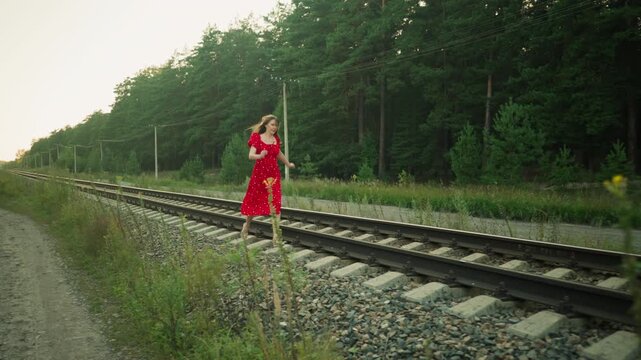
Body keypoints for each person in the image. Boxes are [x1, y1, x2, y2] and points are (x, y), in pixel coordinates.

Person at [240, 114, 295, 243]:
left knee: (275, 203)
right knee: (254, 202)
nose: (274, 127)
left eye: (276, 125)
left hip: (273, 175)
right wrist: (260, 155)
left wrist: (287, 163)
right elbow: (251, 155)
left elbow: (278, 153)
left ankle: (276, 235)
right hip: (259, 175)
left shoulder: (276, 139)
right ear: (265, 125)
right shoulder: (257, 138)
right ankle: (247, 225)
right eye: (272, 124)